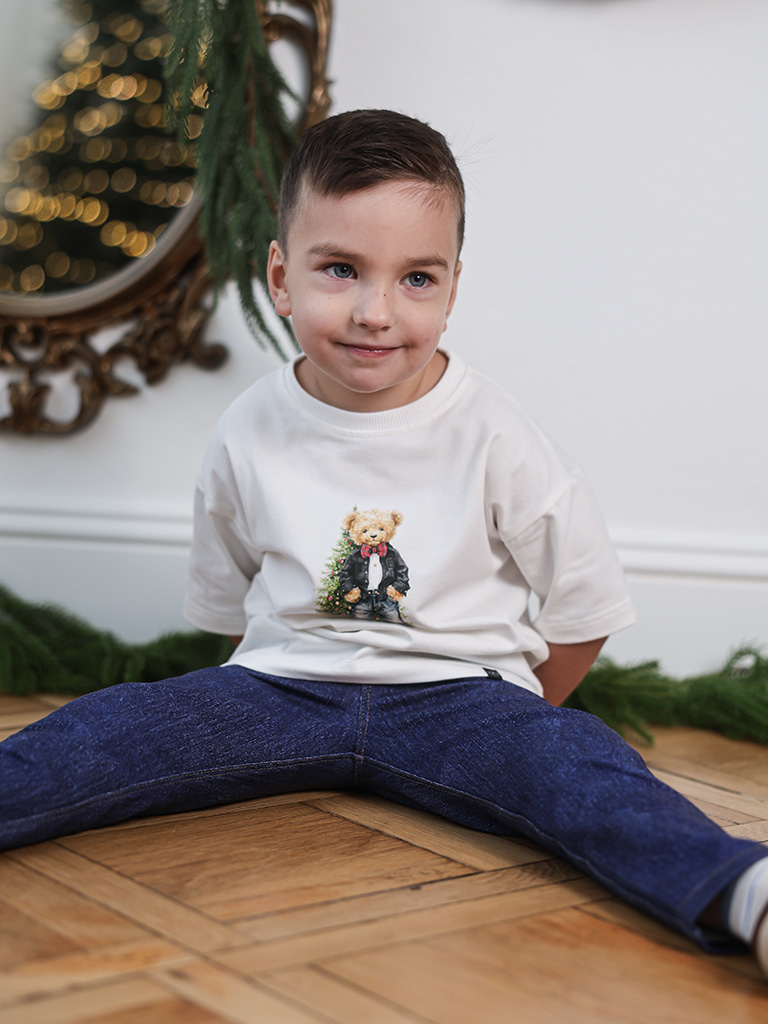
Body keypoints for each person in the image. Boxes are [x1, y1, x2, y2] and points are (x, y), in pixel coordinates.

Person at [2, 109, 767, 973]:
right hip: (283, 688)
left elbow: (585, 605)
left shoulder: (496, 432)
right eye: (341, 270)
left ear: (452, 289)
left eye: (416, 279)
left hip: (458, 695)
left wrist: (517, 720)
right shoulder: (249, 427)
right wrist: (265, 684)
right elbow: (231, 601)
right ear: (281, 278)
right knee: (108, 728)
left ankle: (743, 890)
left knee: (582, 770)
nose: (375, 312)